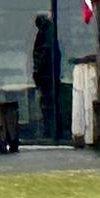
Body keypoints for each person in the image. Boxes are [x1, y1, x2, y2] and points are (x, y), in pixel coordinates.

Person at [30, 12, 66, 141]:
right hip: (50, 75)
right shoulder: (51, 33)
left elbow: (42, 55)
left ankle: (50, 132)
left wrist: (37, 73)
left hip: (46, 76)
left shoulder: (45, 34)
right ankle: (53, 131)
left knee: (47, 104)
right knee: (51, 103)